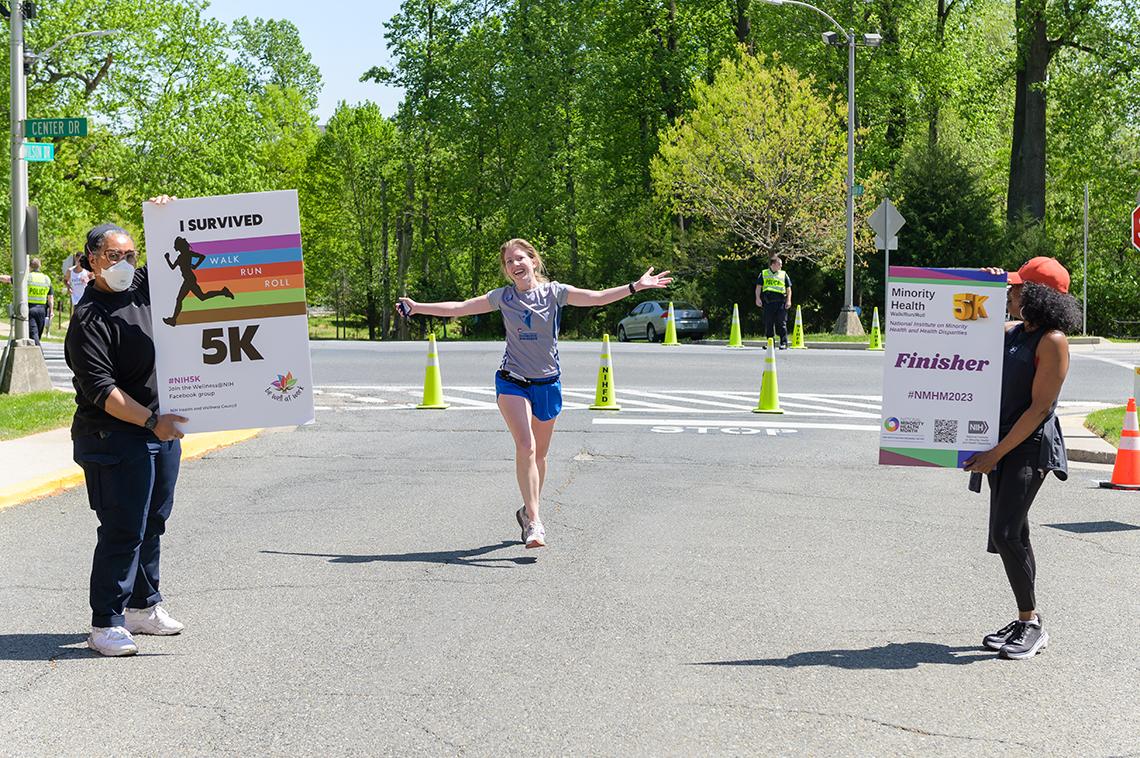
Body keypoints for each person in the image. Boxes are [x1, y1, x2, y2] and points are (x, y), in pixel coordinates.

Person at [397, 238, 672, 548]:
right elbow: (460, 308)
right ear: (506, 270)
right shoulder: (503, 298)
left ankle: (528, 512)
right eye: (509, 262)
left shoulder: (555, 293)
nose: (515, 265)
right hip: (512, 380)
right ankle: (535, 522)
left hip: (547, 383)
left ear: (534, 261)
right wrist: (417, 307)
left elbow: (596, 298)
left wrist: (635, 287)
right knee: (525, 445)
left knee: (540, 456)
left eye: (520, 259)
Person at [65, 200, 190, 657]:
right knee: (122, 528)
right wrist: (152, 421)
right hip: (114, 436)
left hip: (158, 433)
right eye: (113, 256)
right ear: (91, 261)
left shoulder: (142, 289)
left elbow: (178, 259)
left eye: (130, 255)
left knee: (153, 522)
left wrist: (165, 218)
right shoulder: (88, 318)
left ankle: (143, 606)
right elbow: (102, 390)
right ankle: (106, 622)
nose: (125, 264)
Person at [964, 257, 1081, 660]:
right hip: (1004, 444)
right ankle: (1025, 619)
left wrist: (995, 452)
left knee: (1006, 533)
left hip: (1029, 446)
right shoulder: (1013, 332)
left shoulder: (1052, 341)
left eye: (1016, 288)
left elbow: (1038, 409)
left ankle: (1031, 623)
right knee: (1014, 533)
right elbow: (967, 329)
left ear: (1038, 295)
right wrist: (980, 285)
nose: (1010, 293)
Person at [162, 236, 234, 326]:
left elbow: (202, 256)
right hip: (188, 279)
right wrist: (167, 259)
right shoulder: (180, 257)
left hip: (189, 280)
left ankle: (173, 320)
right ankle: (223, 292)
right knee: (202, 297)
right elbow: (173, 267)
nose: (174, 247)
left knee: (180, 299)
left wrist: (195, 266)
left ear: (179, 246)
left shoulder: (187, 254)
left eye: (175, 245)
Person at [755, 255, 792, 349]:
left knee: (781, 323)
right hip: (768, 302)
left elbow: (789, 289)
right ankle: (770, 342)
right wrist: (758, 298)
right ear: (773, 264)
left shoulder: (783, 274)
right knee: (769, 323)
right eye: (779, 264)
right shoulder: (764, 273)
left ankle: (783, 342)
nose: (781, 266)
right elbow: (758, 287)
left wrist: (788, 300)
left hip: (781, 302)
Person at [25, 258, 53, 346]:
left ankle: (39, 356)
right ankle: (36, 355)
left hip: (30, 309)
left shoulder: (27, 277)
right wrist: (51, 311)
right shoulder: (46, 279)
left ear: (29, 266)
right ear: (40, 266)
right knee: (37, 336)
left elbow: (8, 279)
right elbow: (50, 298)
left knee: (34, 335)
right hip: (42, 311)